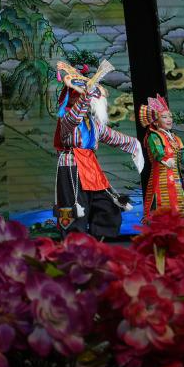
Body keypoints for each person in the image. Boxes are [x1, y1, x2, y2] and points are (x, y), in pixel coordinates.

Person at [54, 61, 141, 240]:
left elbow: (112, 136)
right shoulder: (67, 119)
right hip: (71, 166)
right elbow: (76, 116)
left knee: (107, 207)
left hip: (91, 166)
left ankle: (97, 243)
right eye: (77, 95)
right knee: (75, 210)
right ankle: (75, 247)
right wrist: (86, 94)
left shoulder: (93, 123)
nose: (83, 100)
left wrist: (135, 145)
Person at [138, 94, 184, 218]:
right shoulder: (154, 136)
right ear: (155, 121)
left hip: (177, 182)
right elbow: (158, 152)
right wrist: (165, 160)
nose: (169, 119)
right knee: (163, 215)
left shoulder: (176, 138)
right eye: (164, 117)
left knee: (180, 212)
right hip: (161, 181)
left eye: (170, 116)